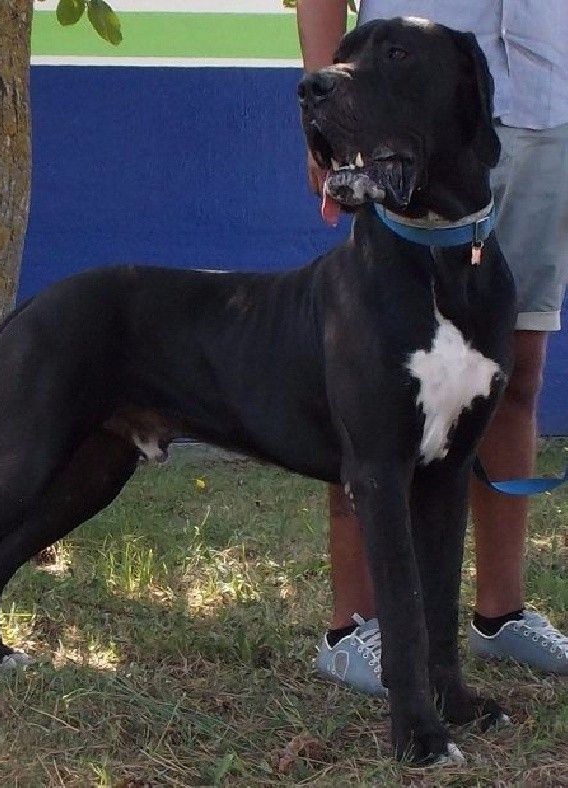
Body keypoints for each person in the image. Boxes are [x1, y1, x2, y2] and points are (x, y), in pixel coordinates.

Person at [296, 0, 568, 694]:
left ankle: (500, 614)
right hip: (403, 101)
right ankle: (356, 628)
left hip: (547, 104)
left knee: (515, 374)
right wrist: (329, 112)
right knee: (369, 383)